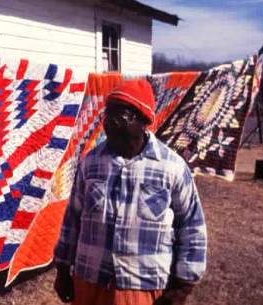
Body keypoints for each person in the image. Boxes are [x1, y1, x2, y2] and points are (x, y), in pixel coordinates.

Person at [53, 79, 207, 305]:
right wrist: (63, 269)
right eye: (108, 115)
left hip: (142, 289)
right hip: (89, 283)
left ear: (143, 121)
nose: (110, 123)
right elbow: (72, 219)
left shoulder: (171, 167)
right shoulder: (91, 163)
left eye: (121, 116)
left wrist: (182, 288)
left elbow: (192, 227)